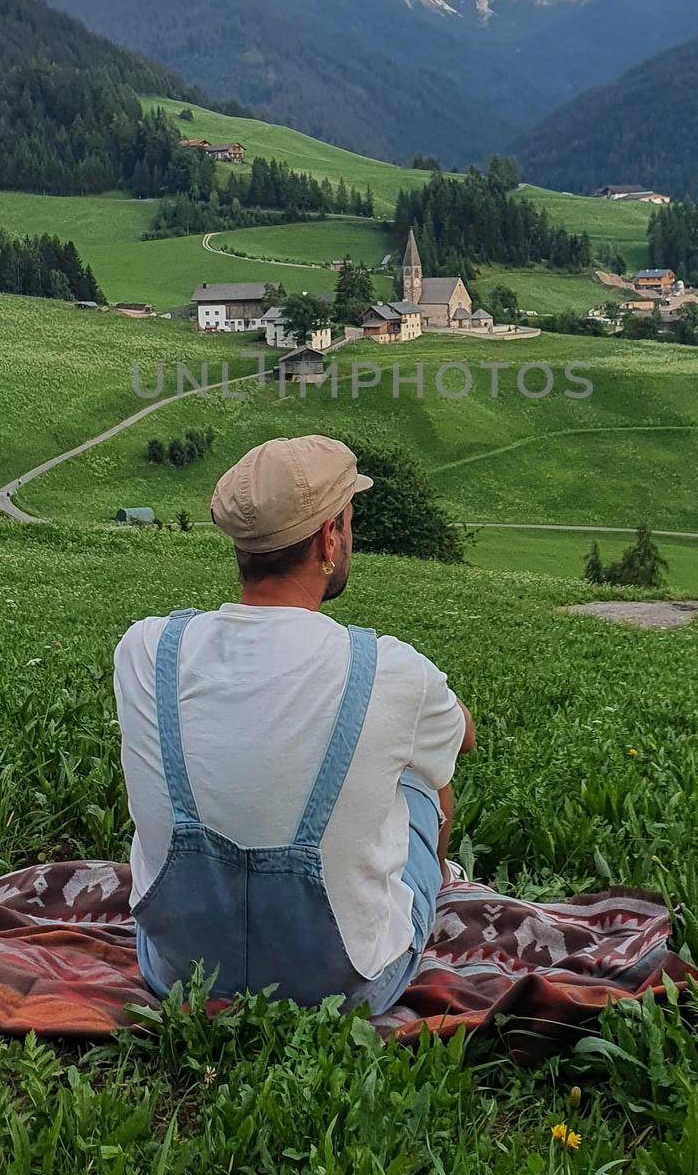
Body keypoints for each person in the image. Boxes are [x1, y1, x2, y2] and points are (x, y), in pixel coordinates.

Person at [114, 434, 475, 1013]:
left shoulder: (145, 649)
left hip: (182, 974)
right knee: (420, 779)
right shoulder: (388, 667)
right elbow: (462, 738)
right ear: (330, 537)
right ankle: (435, 884)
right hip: (347, 988)